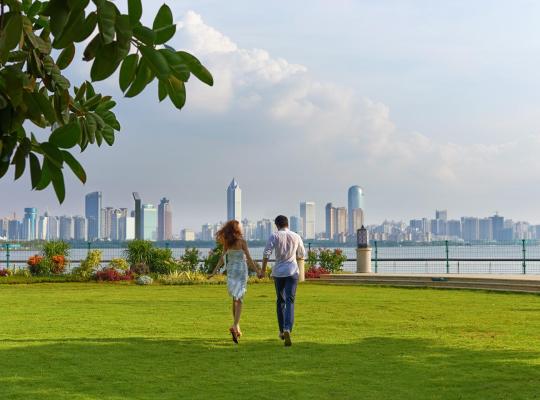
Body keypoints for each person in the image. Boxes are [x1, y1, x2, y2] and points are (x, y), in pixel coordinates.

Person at [210, 220, 259, 343]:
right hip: (241, 271)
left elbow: (222, 259)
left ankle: (237, 327)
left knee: (235, 298)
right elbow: (249, 259)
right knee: (239, 299)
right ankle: (235, 325)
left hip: (231, 271)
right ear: (237, 229)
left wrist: (214, 272)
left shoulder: (227, 242)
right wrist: (258, 271)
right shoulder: (242, 242)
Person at [260, 215, 305, 347]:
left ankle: (281, 331)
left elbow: (266, 253)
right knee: (290, 301)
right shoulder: (296, 236)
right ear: (287, 224)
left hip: (279, 272)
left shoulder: (274, 236)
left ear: (277, 225)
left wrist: (263, 270)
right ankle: (287, 328)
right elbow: (302, 254)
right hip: (292, 271)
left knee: (280, 301)